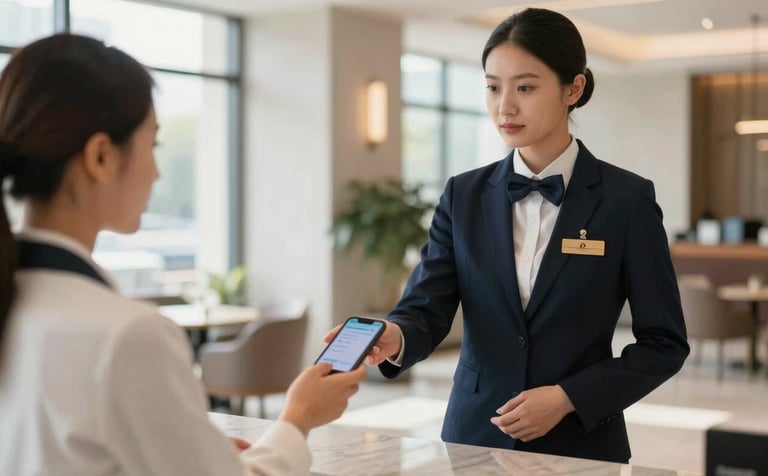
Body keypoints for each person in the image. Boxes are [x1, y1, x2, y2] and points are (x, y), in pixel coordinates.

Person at [0, 33, 365, 476]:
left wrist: (194, 447)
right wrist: (298, 418)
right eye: (152, 145)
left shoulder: (23, 302)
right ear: (100, 156)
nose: (155, 171)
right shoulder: (128, 336)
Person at [340, 7, 689, 464]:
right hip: (472, 437)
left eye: (525, 87)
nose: (504, 106)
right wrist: (396, 334)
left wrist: (568, 396)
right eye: (492, 87)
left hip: (580, 445)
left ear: (574, 88)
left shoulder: (627, 201)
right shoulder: (462, 195)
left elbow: (664, 343)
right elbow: (426, 307)